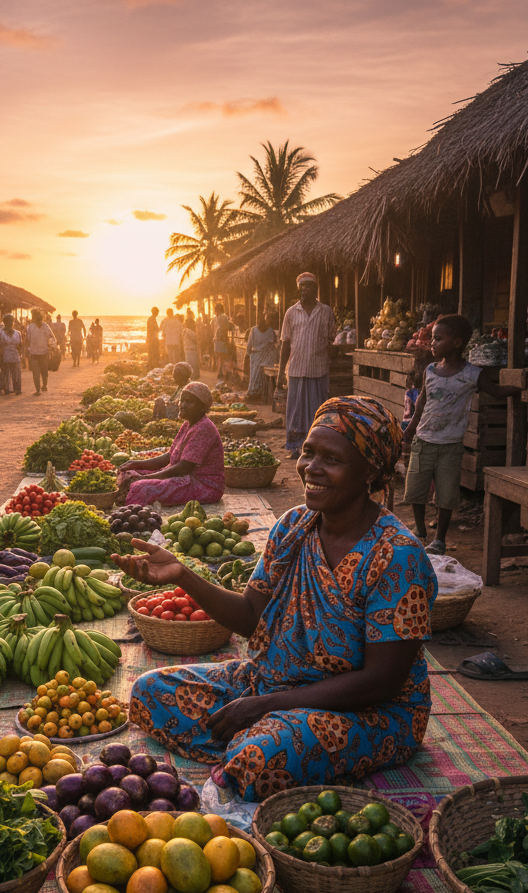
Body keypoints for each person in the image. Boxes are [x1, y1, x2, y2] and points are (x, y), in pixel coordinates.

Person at [116, 396, 436, 801]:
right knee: (149, 693)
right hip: (275, 681)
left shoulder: (397, 555)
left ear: (369, 471)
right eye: (308, 452)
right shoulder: (294, 526)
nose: (311, 469)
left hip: (367, 711)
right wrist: (183, 575)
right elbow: (250, 615)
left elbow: (381, 681)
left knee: (260, 757)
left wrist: (265, 706)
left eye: (331, 459)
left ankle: (256, 747)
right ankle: (259, 742)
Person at [403, 314, 523, 553]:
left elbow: (496, 391)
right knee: (416, 490)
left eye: (438, 338)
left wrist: (521, 387)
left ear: (457, 343)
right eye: (432, 338)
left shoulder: (472, 374)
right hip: (423, 442)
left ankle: (439, 539)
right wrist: (408, 432)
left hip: (450, 446)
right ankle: (420, 530)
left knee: (446, 495)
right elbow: (421, 404)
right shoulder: (430, 370)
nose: (432, 343)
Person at [115, 380, 224, 506]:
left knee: (141, 487)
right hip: (182, 477)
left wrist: (147, 478)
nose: (182, 405)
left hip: (203, 484)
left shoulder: (204, 428)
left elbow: (184, 468)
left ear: (203, 407)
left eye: (189, 402)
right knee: (128, 472)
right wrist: (136, 464)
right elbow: (169, 456)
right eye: (181, 400)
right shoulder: (188, 423)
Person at [278, 272, 336, 460]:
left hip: (319, 369)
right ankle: (295, 447)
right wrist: (280, 372)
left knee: (317, 410)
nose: (305, 289)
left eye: (308, 286)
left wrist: (330, 364)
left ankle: (316, 446)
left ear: (315, 289)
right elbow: (285, 343)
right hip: (296, 369)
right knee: (295, 411)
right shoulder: (291, 312)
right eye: (302, 286)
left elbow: (331, 340)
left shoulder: (325, 311)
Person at [245, 310, 279, 399]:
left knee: (254, 375)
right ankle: (261, 392)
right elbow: (275, 343)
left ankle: (254, 392)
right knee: (261, 375)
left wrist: (248, 353)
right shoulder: (271, 331)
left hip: (256, 357)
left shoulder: (254, 330)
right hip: (266, 358)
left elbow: (249, 345)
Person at [25, 308, 53, 394]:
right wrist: (52, 347)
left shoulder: (30, 327)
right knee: (43, 371)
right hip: (43, 352)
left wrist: (27, 349)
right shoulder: (45, 326)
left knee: (36, 372)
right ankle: (43, 386)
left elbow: (27, 339)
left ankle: (38, 389)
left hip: (35, 352)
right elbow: (51, 337)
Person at [0, 314, 23, 394]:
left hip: (15, 356)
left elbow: (21, 345)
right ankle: (6, 389)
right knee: (6, 374)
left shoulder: (18, 333)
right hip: (5, 356)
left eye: (11, 321)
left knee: (15, 374)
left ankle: (17, 389)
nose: (10, 323)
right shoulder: (0, 333)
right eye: (8, 322)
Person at [212, 302, 235, 379]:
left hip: (217, 339)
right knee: (223, 357)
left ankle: (220, 372)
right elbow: (224, 328)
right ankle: (222, 373)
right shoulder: (223, 317)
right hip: (221, 339)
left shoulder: (216, 318)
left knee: (220, 358)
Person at [182, 311, 199, 377]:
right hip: (192, 349)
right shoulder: (190, 332)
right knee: (193, 363)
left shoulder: (184, 330)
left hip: (186, 349)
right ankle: (194, 375)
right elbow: (195, 340)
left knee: (189, 363)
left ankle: (191, 375)